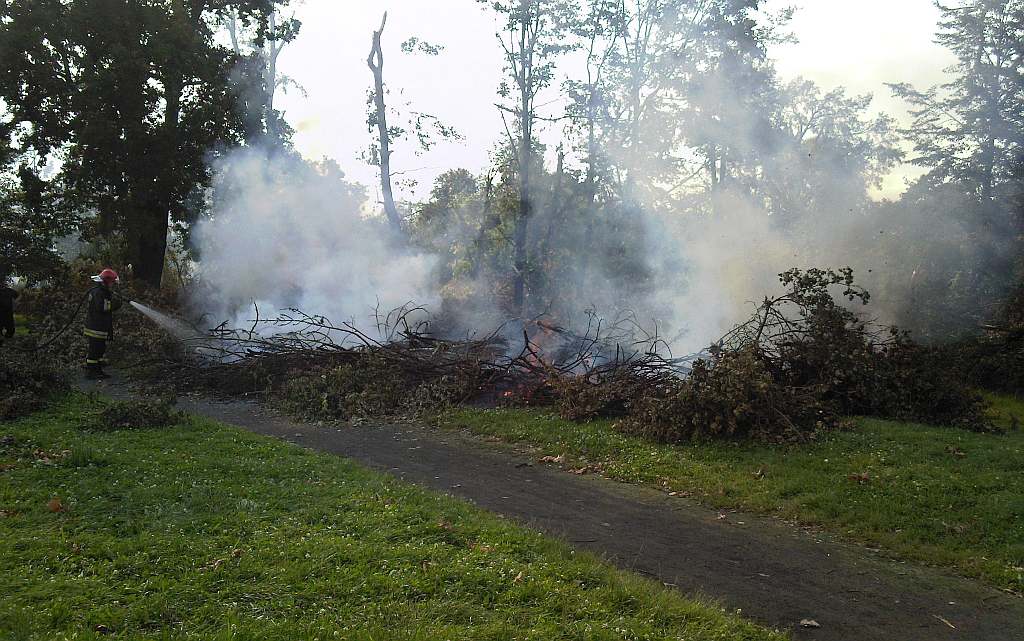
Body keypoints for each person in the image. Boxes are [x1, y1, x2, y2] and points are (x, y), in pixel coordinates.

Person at [83, 268, 122, 379]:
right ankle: (91, 372)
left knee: (100, 349)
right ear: (106, 282)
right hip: (96, 328)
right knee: (95, 351)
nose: (112, 285)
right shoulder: (100, 293)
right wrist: (116, 304)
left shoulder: (100, 291)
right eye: (112, 283)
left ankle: (97, 369)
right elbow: (103, 307)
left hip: (98, 326)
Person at [0, 275, 17, 346]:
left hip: (8, 313)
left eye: (2, 282)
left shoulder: (10, 291)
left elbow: (18, 296)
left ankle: (6, 341)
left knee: (11, 330)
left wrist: (16, 305)